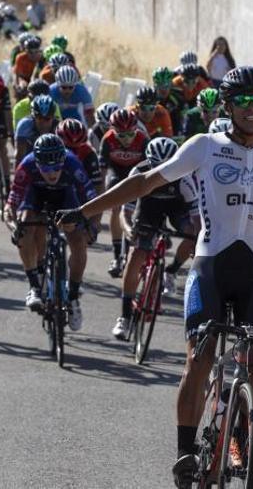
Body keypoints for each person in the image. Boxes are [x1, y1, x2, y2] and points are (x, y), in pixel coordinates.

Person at [56, 66, 253, 486]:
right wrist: (84, 210)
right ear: (229, 106)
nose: (252, 110)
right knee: (199, 358)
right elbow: (143, 181)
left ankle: (237, 436)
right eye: (243, 102)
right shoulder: (204, 146)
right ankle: (184, 452)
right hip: (211, 266)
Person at [5, 133, 95, 329]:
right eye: (45, 168)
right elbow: (11, 205)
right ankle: (34, 287)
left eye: (56, 167)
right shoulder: (27, 165)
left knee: (78, 240)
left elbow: (92, 200)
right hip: (37, 196)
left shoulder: (73, 164)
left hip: (66, 197)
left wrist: (91, 225)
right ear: (37, 163)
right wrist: (14, 228)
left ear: (63, 161)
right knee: (25, 224)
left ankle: (72, 296)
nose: (52, 173)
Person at [111, 137, 199, 339]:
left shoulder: (185, 176)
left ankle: (172, 270)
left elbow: (196, 218)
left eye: (167, 167)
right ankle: (124, 316)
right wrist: (128, 230)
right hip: (147, 208)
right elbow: (125, 212)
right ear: (148, 161)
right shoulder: (138, 172)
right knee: (136, 255)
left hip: (177, 208)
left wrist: (198, 241)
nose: (162, 173)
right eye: (156, 166)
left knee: (192, 233)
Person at [99, 108, 149, 277]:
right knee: (115, 207)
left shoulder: (143, 140)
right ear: (113, 131)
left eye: (131, 134)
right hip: (116, 171)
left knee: (136, 207)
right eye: (122, 135)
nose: (127, 139)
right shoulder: (107, 140)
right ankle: (116, 256)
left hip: (136, 171)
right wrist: (102, 196)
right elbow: (103, 171)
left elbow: (149, 170)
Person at [56, 118, 103, 196]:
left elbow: (97, 184)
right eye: (69, 148)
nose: (71, 153)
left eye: (77, 148)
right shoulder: (52, 148)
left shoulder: (88, 152)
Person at [15, 94, 60, 164]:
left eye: (47, 119)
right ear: (33, 117)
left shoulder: (59, 127)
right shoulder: (24, 125)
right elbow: (19, 156)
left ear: (53, 117)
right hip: (31, 159)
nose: (43, 123)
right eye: (39, 118)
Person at [152, 66, 185, 136]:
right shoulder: (149, 97)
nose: (163, 89)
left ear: (171, 84)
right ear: (154, 85)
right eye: (160, 85)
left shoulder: (178, 96)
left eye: (167, 85)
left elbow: (183, 117)